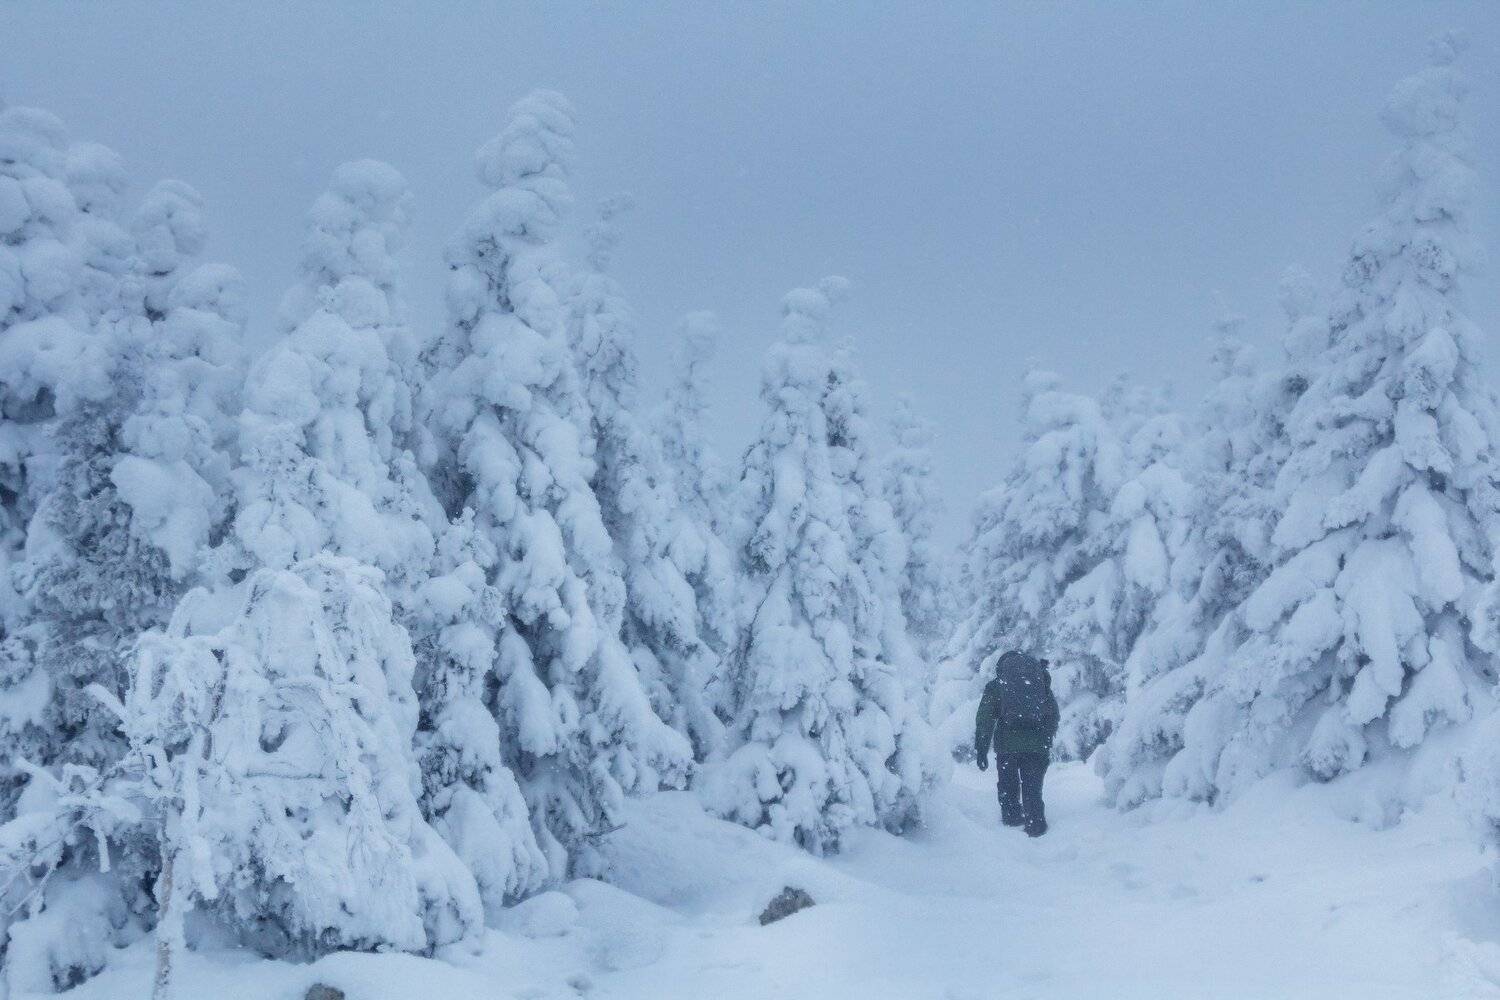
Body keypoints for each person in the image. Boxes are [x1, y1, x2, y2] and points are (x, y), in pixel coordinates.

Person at [974, 650, 1060, 837]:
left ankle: (1011, 827)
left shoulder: (998, 685)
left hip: (1007, 747)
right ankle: (1035, 826)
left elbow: (985, 719)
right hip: (1036, 748)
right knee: (1032, 788)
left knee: (1008, 786)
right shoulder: (1039, 683)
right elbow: (1053, 714)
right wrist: (1044, 739)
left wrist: (981, 748)